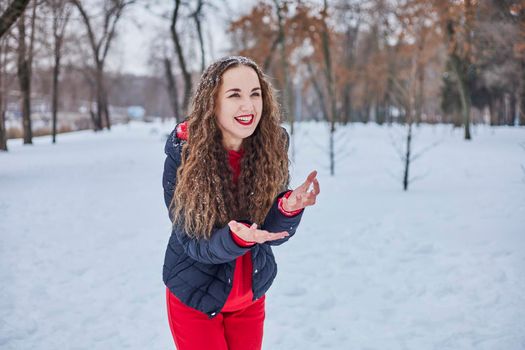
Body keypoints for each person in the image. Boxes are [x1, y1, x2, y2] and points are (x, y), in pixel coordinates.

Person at [162, 55, 320, 350]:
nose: (248, 106)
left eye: (255, 94)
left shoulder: (270, 147)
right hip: (196, 297)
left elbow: (268, 233)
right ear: (213, 102)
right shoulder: (184, 154)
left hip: (249, 297)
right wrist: (236, 238)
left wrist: (288, 207)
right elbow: (194, 242)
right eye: (234, 95)